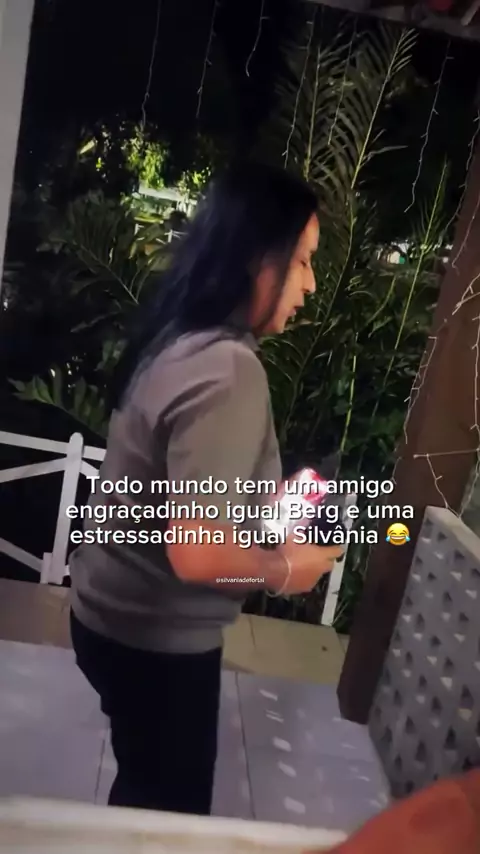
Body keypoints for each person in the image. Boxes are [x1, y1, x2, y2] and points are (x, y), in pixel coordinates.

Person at [69, 161, 342, 816]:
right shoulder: (229, 370)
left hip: (107, 615)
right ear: (255, 259)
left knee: (142, 784)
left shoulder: (181, 339)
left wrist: (265, 510)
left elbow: (185, 496)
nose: (310, 284)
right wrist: (286, 569)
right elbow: (196, 552)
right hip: (155, 643)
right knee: (167, 820)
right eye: (302, 261)